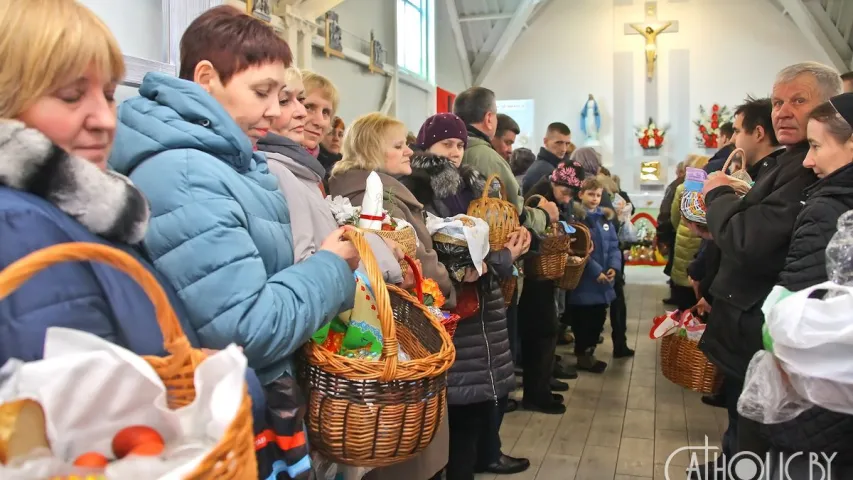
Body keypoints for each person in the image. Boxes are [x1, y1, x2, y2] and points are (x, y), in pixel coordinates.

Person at [0, 0, 270, 430]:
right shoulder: (19, 228)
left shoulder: (80, 212)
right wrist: (233, 385)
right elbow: (94, 434)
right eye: (71, 96)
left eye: (108, 94)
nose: (105, 119)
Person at [109, 6, 359, 386]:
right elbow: (246, 331)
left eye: (280, 96)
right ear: (206, 78)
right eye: (262, 93)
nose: (275, 112)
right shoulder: (187, 176)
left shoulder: (228, 163)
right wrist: (330, 266)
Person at [696, 61, 841, 476]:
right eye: (778, 101)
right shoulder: (792, 160)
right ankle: (732, 464)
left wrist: (720, 195)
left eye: (798, 100)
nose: (781, 111)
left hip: (762, 320)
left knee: (755, 424)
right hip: (748, 315)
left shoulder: (804, 169)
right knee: (743, 416)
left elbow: (751, 240)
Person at [399, 113, 531, 477]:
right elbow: (448, 256)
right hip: (460, 313)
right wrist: (503, 258)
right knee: (458, 416)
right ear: (426, 146)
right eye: (446, 144)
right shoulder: (423, 188)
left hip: (483, 312)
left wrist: (508, 245)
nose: (455, 152)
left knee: (474, 412)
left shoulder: (468, 184)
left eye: (459, 144)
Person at [326, 112, 455, 480]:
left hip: (380, 329)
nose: (410, 151)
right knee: (407, 450)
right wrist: (448, 280)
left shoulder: (352, 188)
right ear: (371, 151)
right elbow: (417, 265)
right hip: (397, 330)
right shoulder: (380, 198)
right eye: (398, 146)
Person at [761, 92, 853, 469]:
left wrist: (773, 326)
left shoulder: (829, 207)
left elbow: (797, 324)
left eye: (816, 146)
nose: (809, 160)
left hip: (824, 400)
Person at [256, 67, 403, 282]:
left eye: (326, 113)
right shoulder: (280, 170)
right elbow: (305, 261)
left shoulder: (306, 171)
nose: (315, 119)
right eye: (309, 106)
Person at [520, 161, 586, 412]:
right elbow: (535, 230)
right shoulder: (540, 198)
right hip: (535, 276)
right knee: (541, 333)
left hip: (544, 275)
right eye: (565, 192)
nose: (568, 199)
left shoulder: (552, 196)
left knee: (548, 331)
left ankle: (543, 384)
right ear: (555, 182)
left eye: (571, 194)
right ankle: (536, 394)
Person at [453, 87, 556, 234]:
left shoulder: (449, 152)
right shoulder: (488, 158)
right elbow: (515, 214)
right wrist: (545, 215)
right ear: (489, 119)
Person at [567, 178, 620, 373]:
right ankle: (583, 354)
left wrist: (614, 266)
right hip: (585, 281)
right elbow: (579, 249)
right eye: (591, 194)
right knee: (584, 321)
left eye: (598, 195)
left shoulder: (604, 219)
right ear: (580, 195)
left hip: (604, 282)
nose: (595, 199)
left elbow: (614, 245)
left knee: (598, 318)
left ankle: (589, 351)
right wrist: (596, 270)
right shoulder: (577, 220)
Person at [669, 155, 710, 311]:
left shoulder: (682, 189)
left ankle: (684, 326)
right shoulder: (711, 190)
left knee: (684, 286)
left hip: (684, 237)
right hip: (703, 241)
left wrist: (684, 227)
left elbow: (674, 216)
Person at [522, 122, 572, 195]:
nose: (564, 149)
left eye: (567, 144)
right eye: (559, 143)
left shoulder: (558, 167)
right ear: (545, 141)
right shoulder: (542, 170)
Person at [657, 161, 685, 285]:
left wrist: (662, 232)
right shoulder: (678, 186)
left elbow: (667, 210)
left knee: (676, 260)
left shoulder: (676, 186)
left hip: (676, 229)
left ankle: (676, 291)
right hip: (681, 229)